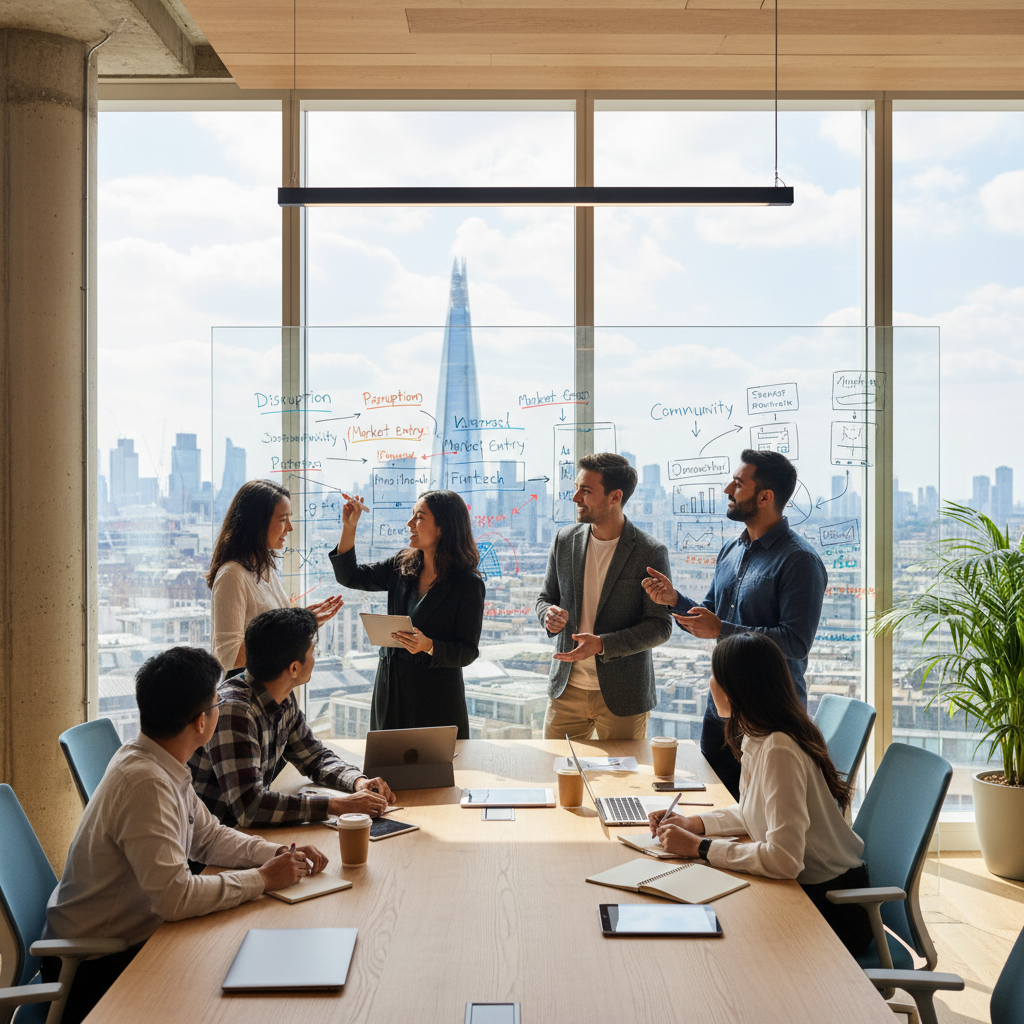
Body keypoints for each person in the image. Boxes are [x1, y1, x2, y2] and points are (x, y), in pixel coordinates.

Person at [42, 646, 327, 1024]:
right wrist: (262, 879)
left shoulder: (157, 760)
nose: (221, 709)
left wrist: (275, 854)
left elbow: (209, 838)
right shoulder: (145, 783)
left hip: (130, 938)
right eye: (216, 703)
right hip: (93, 967)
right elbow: (175, 898)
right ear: (200, 723)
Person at [649, 632, 871, 955]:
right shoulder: (759, 735)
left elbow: (784, 860)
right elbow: (753, 811)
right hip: (804, 892)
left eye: (714, 676)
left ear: (736, 688)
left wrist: (700, 848)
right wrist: (692, 824)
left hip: (833, 909)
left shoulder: (779, 747)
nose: (709, 684)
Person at [642, 449, 827, 798]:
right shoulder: (731, 550)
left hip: (769, 714)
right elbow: (710, 616)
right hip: (723, 704)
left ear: (765, 497)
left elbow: (796, 642)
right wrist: (673, 601)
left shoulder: (799, 560)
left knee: (759, 816)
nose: (728, 489)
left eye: (738, 484)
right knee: (716, 798)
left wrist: (721, 630)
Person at [190, 607, 394, 825]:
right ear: (294, 668)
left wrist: (358, 782)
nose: (315, 660)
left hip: (243, 836)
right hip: (209, 846)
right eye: (312, 653)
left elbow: (314, 758)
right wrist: (336, 806)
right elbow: (250, 808)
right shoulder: (233, 711)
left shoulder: (282, 698)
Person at [536, 452, 673, 740]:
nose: (575, 498)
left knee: (623, 783)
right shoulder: (564, 540)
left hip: (624, 696)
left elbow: (660, 626)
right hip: (566, 690)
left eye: (586, 491)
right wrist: (547, 614)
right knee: (557, 775)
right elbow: (545, 598)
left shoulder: (649, 551)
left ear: (615, 497)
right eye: (576, 488)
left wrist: (602, 645)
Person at [329, 489, 485, 739]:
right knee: (386, 768)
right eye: (412, 516)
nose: (409, 523)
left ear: (442, 528)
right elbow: (350, 576)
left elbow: (468, 650)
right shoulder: (401, 565)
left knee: (434, 773)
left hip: (434, 700)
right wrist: (349, 527)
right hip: (390, 692)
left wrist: (430, 646)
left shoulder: (467, 584)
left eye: (419, 517)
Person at [207, 479, 343, 670]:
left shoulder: (265, 567)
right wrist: (295, 628)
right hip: (249, 696)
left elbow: (275, 631)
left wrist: (301, 622)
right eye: (282, 519)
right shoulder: (232, 575)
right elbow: (228, 656)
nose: (290, 527)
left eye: (289, 518)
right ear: (257, 523)